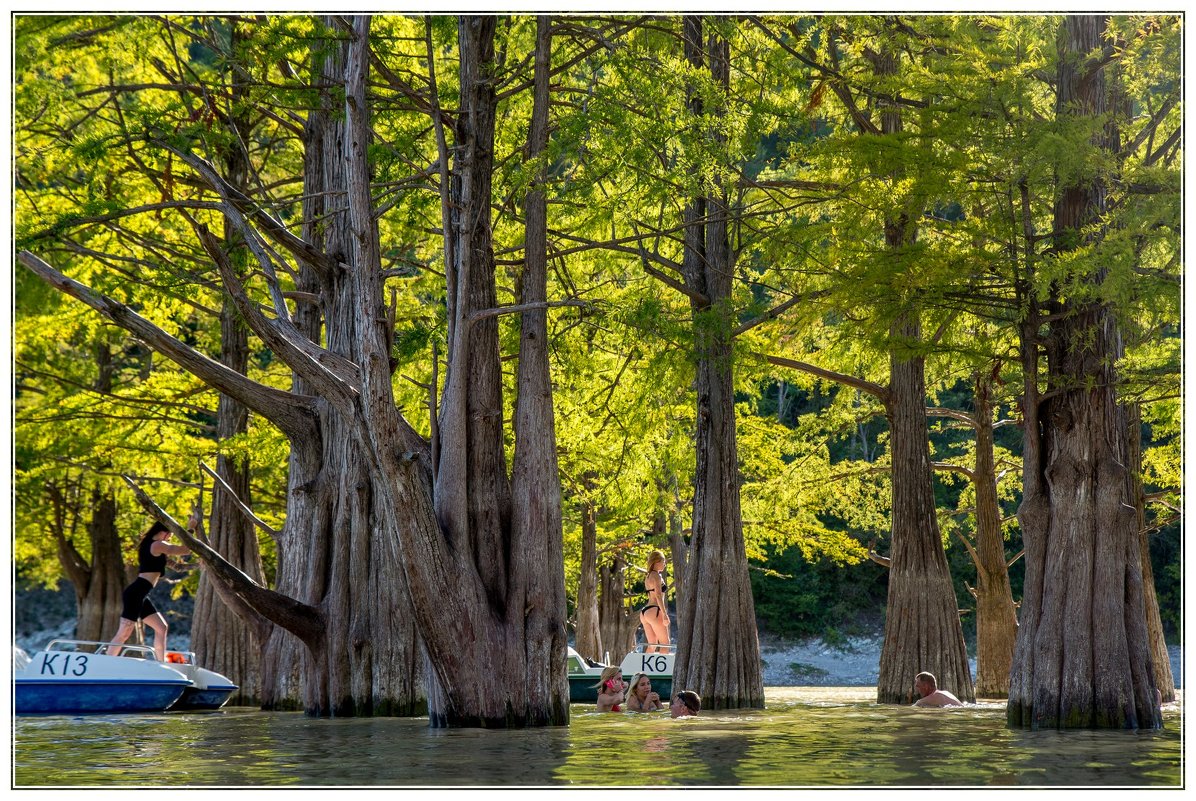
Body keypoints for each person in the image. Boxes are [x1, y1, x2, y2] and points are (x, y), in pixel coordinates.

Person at [107, 515, 195, 662]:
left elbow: (178, 567)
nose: (169, 539)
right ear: (164, 532)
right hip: (136, 593)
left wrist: (199, 566)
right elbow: (185, 550)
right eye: (170, 536)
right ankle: (105, 663)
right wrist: (192, 528)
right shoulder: (156, 545)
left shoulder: (157, 549)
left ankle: (161, 664)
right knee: (124, 632)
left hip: (141, 594)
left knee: (161, 628)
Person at [639, 550, 671, 654]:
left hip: (645, 612)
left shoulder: (648, 576)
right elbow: (658, 595)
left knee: (652, 645)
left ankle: (645, 670)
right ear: (656, 562)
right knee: (665, 644)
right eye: (663, 561)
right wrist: (665, 614)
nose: (665, 564)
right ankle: (663, 670)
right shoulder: (657, 576)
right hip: (654, 611)